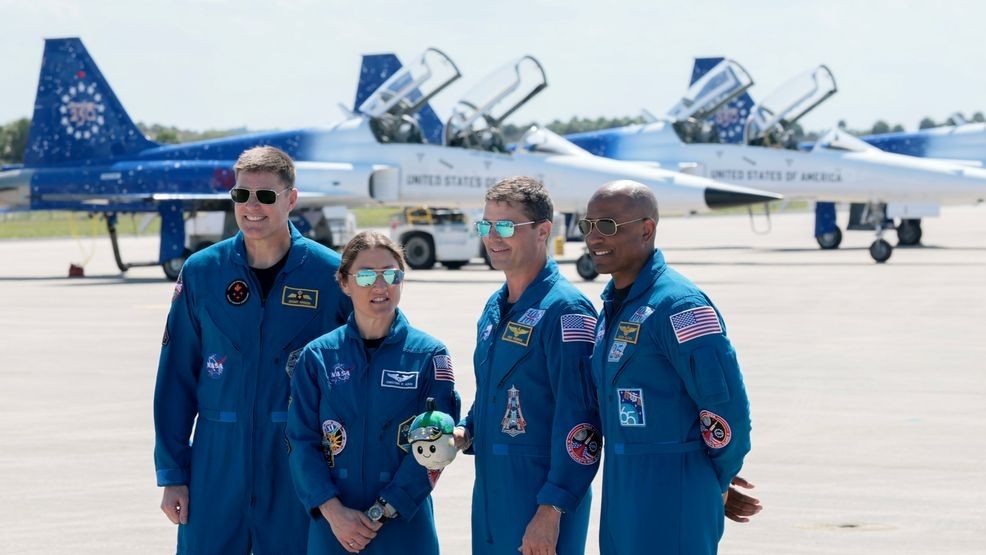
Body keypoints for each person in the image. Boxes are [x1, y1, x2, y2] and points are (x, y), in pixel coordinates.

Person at [153, 146, 352, 554]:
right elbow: (176, 378)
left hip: (297, 462)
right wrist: (173, 472)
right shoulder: (203, 272)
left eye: (266, 196)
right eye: (242, 196)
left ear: (291, 199)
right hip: (215, 463)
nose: (252, 207)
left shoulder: (329, 274)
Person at [582, 180, 754, 554]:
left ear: (647, 229)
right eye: (588, 225)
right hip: (622, 488)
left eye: (607, 225)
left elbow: (727, 410)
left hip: (675, 490)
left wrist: (715, 480)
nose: (594, 237)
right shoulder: (612, 308)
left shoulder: (680, 306)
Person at [453, 177, 601, 555]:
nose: (492, 237)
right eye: (485, 225)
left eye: (505, 226)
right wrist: (463, 433)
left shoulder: (567, 312)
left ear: (543, 231)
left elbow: (582, 422)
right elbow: (494, 394)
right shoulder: (493, 308)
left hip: (539, 505)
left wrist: (551, 510)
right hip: (490, 499)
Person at [287, 231, 459, 554]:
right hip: (334, 531)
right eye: (366, 276)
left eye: (391, 275)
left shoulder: (430, 356)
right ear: (344, 282)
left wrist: (384, 508)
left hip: (405, 528)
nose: (380, 287)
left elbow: (435, 445)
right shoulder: (317, 357)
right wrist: (334, 512)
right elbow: (300, 441)